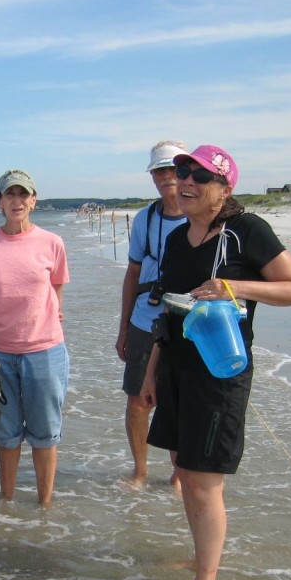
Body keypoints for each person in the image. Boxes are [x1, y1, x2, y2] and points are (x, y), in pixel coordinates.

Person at [140, 145, 291, 580]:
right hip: (175, 366)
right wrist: (152, 372)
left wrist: (234, 287)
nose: (187, 182)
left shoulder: (246, 231)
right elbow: (169, 315)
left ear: (224, 188)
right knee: (183, 467)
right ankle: (201, 560)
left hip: (219, 371)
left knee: (203, 476)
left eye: (200, 176)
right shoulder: (178, 239)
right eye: (183, 172)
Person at [0, 170, 70, 505]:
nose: (17, 201)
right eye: (9, 195)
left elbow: (56, 286)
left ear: (34, 200)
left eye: (23, 194)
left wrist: (52, 314)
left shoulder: (52, 242)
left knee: (45, 436)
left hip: (45, 352)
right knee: (7, 435)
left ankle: (44, 507)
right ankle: (8, 503)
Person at [116, 140, 190, 491]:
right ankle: (141, 471)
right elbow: (132, 275)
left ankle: (178, 475)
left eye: (174, 168)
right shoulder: (146, 218)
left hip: (188, 323)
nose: (167, 177)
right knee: (137, 400)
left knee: (180, 401)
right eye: (159, 171)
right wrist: (123, 330)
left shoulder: (201, 217)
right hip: (145, 320)